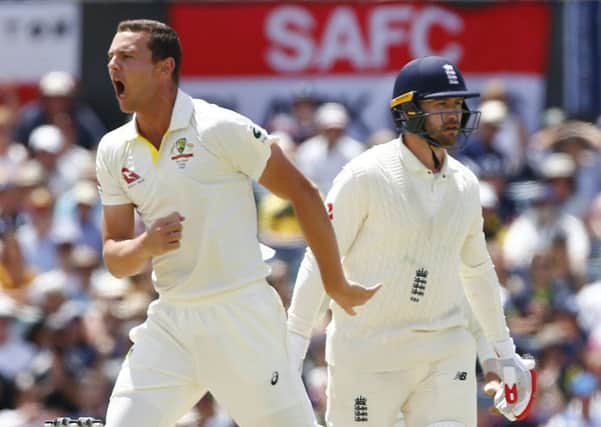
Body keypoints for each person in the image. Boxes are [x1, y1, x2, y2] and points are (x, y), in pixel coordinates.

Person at [95, 19, 379, 427]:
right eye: (110, 58)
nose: (113, 66)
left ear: (164, 68)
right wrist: (147, 246)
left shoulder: (219, 128)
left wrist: (334, 283)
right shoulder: (113, 150)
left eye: (126, 56)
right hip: (171, 323)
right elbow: (115, 259)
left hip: (242, 319)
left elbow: (304, 193)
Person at [286, 56, 536, 427]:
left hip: (444, 351)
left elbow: (477, 273)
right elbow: (319, 259)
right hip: (368, 354)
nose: (453, 114)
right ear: (407, 111)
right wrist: (292, 350)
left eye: (456, 104)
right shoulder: (365, 174)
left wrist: (502, 353)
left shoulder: (466, 184)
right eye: (440, 105)